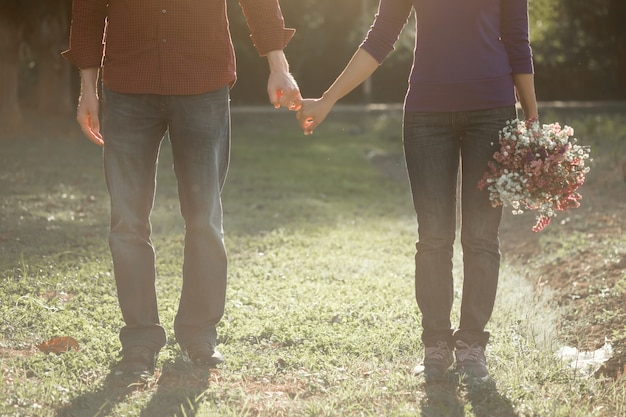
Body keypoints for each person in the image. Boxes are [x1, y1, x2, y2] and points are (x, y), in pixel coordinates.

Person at [297, 0, 538, 381]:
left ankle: (472, 344)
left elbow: (517, 42)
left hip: (492, 113)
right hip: (427, 115)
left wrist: (532, 118)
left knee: (480, 235)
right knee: (434, 238)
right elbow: (380, 37)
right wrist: (328, 99)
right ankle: (436, 345)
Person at [62, 0, 301, 377]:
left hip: (202, 83)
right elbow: (89, 11)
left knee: (204, 217)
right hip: (128, 86)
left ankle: (199, 333)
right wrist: (87, 88)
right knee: (127, 221)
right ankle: (140, 338)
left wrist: (279, 65)